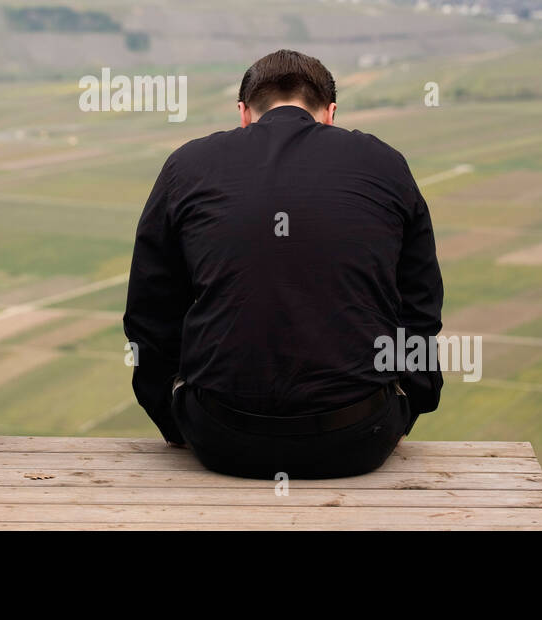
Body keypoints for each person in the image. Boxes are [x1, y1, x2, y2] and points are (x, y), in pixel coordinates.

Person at [123, 49, 444, 479]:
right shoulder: (384, 163)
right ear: (330, 113)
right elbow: (420, 305)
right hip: (360, 437)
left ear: (243, 112)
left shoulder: (187, 165)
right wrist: (409, 406)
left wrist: (171, 417)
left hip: (220, 439)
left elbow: (149, 309)